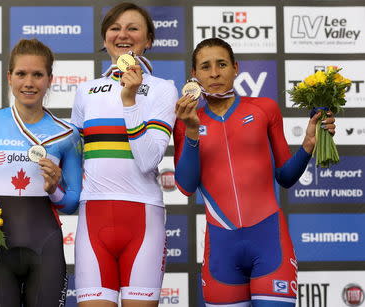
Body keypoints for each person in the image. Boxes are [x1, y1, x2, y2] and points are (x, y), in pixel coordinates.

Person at [174, 38, 336, 307]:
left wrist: (308, 144)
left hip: (269, 242)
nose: (214, 73)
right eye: (205, 66)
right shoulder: (186, 121)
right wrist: (191, 131)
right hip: (221, 252)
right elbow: (186, 186)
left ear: (236, 67)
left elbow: (285, 176)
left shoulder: (264, 109)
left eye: (222, 64)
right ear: (194, 75)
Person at [0, 38, 82, 306]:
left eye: (38, 74)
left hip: (46, 249)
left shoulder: (67, 135)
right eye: (21, 74)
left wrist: (54, 190)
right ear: (9, 78)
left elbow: (72, 203)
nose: (29, 82)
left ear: (50, 79)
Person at [71, 2, 178, 306]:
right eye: (115, 28)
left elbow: (148, 160)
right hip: (93, 217)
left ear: (148, 40)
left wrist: (129, 101)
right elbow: (73, 156)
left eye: (133, 28)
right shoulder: (86, 91)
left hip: (143, 217)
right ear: (105, 38)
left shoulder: (162, 89)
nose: (123, 35)